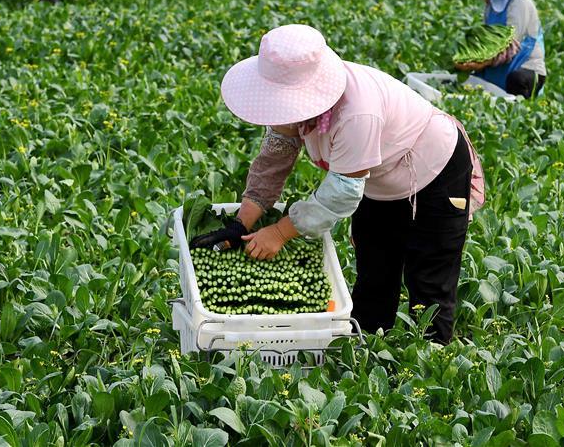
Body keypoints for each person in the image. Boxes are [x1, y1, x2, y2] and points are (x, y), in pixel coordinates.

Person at [189, 24, 486, 344]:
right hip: (376, 178)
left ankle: (430, 367)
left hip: (435, 170)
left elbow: (343, 191)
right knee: (374, 271)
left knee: (428, 281)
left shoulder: (357, 112)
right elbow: (276, 155)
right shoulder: (292, 104)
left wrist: (279, 232)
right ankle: (368, 355)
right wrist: (242, 221)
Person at [452, 0, 546, 99]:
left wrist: (481, 63)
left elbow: (511, 45)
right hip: (498, 66)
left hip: (525, 68)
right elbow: (488, 43)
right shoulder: (491, 7)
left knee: (517, 80)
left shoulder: (519, 3)